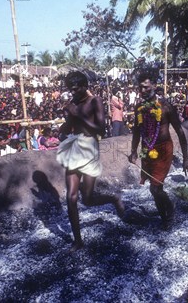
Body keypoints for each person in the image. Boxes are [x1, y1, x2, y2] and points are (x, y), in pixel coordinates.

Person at [56, 71, 125, 250]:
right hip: (73, 147)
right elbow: (69, 126)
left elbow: (101, 129)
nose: (73, 92)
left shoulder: (95, 101)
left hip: (90, 147)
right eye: (70, 89)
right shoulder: (72, 103)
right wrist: (63, 126)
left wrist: (76, 114)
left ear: (85, 86)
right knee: (71, 197)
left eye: (76, 89)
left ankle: (113, 199)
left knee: (87, 199)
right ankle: (78, 240)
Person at [128, 71, 188, 229]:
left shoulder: (166, 106)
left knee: (155, 186)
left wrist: (186, 158)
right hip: (146, 149)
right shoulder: (139, 107)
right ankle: (164, 218)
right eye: (140, 88)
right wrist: (134, 151)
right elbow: (136, 131)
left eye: (146, 87)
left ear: (154, 86)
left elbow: (180, 131)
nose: (142, 91)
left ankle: (169, 210)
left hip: (163, 150)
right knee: (153, 188)